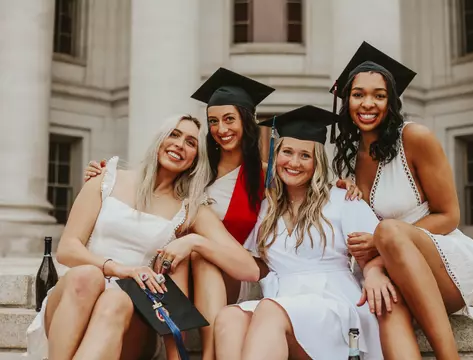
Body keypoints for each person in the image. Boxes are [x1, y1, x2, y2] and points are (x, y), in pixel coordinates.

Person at [84, 68, 361, 359]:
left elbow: (304, 183)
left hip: (230, 273)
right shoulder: (194, 169)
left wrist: (340, 184)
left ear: (247, 119)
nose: (221, 129)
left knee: (202, 255)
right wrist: (104, 175)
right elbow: (153, 185)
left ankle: (209, 354)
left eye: (229, 119)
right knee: (192, 255)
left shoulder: (265, 178)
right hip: (171, 269)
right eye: (213, 121)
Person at [26, 114, 258, 360]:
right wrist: (123, 270)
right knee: (87, 275)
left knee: (116, 300)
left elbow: (250, 270)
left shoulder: (190, 210)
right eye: (174, 134)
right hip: (74, 300)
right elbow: (68, 250)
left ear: (196, 159)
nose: (180, 144)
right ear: (160, 139)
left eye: (191, 143)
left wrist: (195, 241)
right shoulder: (106, 179)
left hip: (129, 316)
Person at [331, 42, 473, 360]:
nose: (367, 103)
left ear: (391, 102)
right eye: (358, 94)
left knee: (388, 231)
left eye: (379, 95)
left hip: (443, 267)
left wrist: (377, 246)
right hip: (393, 272)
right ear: (347, 100)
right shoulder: (346, 159)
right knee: (384, 300)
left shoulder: (414, 138)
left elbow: (449, 216)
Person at [214, 105, 384, 360]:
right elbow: (254, 265)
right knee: (230, 316)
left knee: (271, 310)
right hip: (281, 300)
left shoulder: (342, 200)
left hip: (331, 302)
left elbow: (378, 248)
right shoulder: (266, 207)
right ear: (276, 154)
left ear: (317, 161)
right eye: (287, 152)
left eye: (305, 155)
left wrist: (375, 272)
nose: (293, 163)